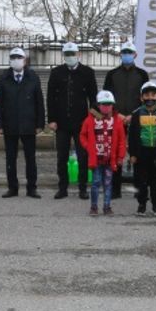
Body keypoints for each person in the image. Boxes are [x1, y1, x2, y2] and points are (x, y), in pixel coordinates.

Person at [47, 42, 98, 200]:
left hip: (81, 123)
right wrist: (52, 119)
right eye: (67, 54)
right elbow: (50, 97)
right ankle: (62, 188)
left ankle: (83, 188)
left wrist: (92, 118)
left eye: (73, 54)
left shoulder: (87, 72)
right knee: (61, 157)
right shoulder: (56, 72)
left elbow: (93, 97)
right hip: (61, 122)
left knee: (83, 156)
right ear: (63, 56)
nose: (70, 57)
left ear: (78, 54)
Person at [0, 48, 45, 198]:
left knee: (31, 158)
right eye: (13, 57)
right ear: (9, 60)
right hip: (10, 124)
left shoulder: (33, 77)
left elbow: (39, 101)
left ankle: (32, 188)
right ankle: (12, 187)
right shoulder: (3, 78)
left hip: (29, 124)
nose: (16, 60)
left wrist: (40, 123)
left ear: (24, 60)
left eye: (19, 57)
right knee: (10, 158)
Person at [102, 41, 149, 198]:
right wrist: (117, 114)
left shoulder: (142, 74)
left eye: (129, 52)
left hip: (136, 118)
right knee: (115, 153)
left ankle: (139, 189)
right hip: (117, 118)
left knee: (138, 153)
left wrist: (134, 115)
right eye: (124, 52)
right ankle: (115, 190)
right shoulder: (112, 74)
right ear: (120, 55)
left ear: (135, 55)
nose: (126, 55)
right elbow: (106, 98)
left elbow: (146, 98)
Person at [79, 90, 126, 216]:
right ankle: (94, 207)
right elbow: (82, 135)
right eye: (104, 104)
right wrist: (88, 147)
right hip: (96, 159)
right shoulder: (90, 120)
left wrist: (121, 157)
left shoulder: (117, 121)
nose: (106, 107)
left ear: (113, 105)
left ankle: (107, 206)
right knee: (95, 183)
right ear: (98, 105)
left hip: (110, 160)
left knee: (108, 184)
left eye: (109, 104)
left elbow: (122, 140)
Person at [128, 81, 156, 216]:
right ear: (141, 97)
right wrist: (132, 154)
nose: (150, 98)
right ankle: (141, 204)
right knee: (141, 180)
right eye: (146, 95)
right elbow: (132, 135)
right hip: (141, 152)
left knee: (155, 181)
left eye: (153, 95)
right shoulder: (136, 114)